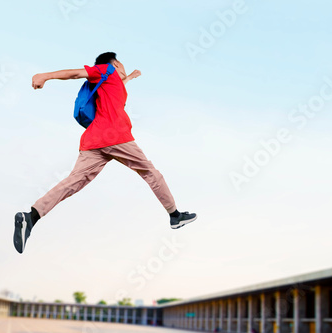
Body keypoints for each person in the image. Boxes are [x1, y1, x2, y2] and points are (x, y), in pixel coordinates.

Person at [13, 52, 197, 254]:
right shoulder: (106, 70)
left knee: (73, 182)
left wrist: (131, 77)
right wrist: (44, 75)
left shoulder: (112, 82)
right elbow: (75, 74)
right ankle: (175, 216)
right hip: (115, 136)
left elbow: (120, 85)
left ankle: (31, 216)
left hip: (94, 140)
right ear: (116, 63)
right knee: (150, 173)